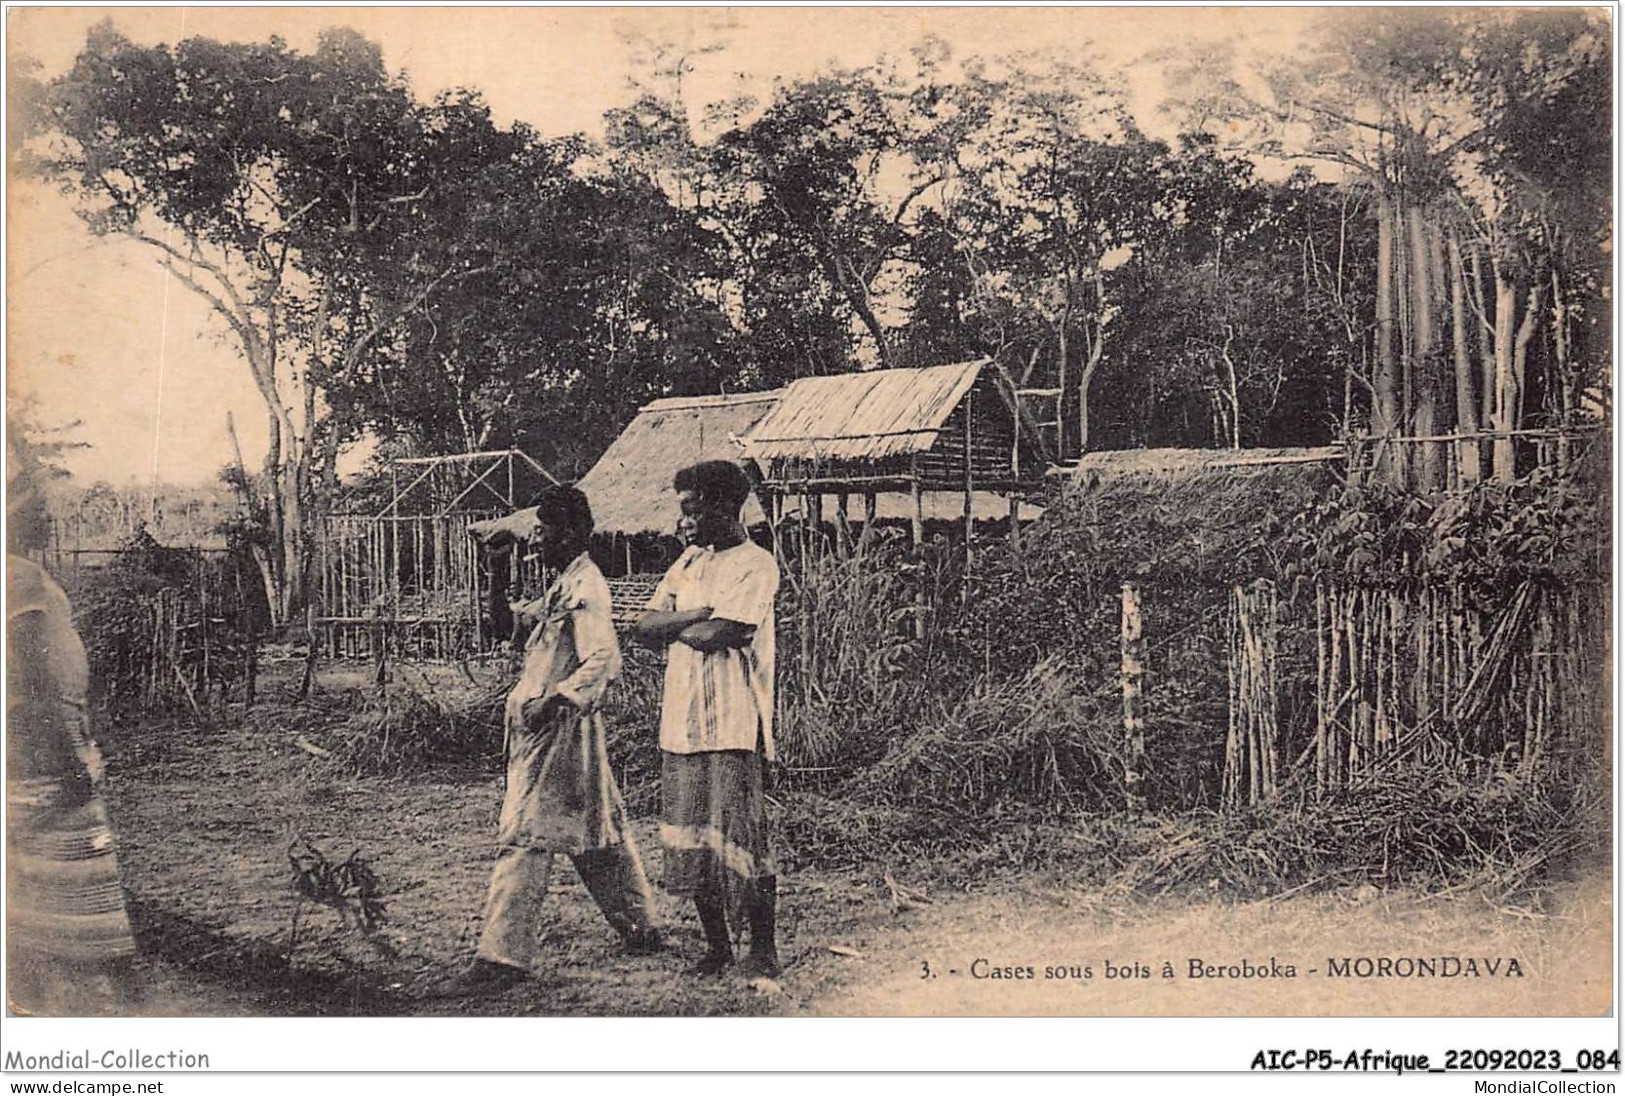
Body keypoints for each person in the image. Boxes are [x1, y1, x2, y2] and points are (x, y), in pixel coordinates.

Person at [446, 486, 661, 995]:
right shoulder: (563, 586)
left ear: (569, 534)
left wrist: (556, 700)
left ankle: (502, 956)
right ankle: (641, 925)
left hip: (558, 727)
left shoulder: (587, 586)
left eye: (543, 532)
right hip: (552, 728)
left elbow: (603, 659)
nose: (536, 541)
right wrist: (496, 574)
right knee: (596, 825)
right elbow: (506, 629)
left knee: (524, 835)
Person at [635, 460, 782, 977]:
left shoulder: (755, 563)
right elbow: (646, 626)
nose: (685, 523)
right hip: (682, 722)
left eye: (693, 511)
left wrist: (686, 624)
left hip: (733, 721)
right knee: (691, 835)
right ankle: (718, 948)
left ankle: (762, 950)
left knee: (741, 835)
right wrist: (697, 616)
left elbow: (723, 634)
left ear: (726, 506)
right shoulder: (690, 564)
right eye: (683, 512)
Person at [7, 450, 140, 1014]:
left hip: (35, 747)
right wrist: (70, 761)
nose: (43, 513)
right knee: (85, 886)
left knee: (34, 890)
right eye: (25, 502)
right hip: (40, 752)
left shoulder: (22, 575)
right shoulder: (18, 582)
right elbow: (34, 680)